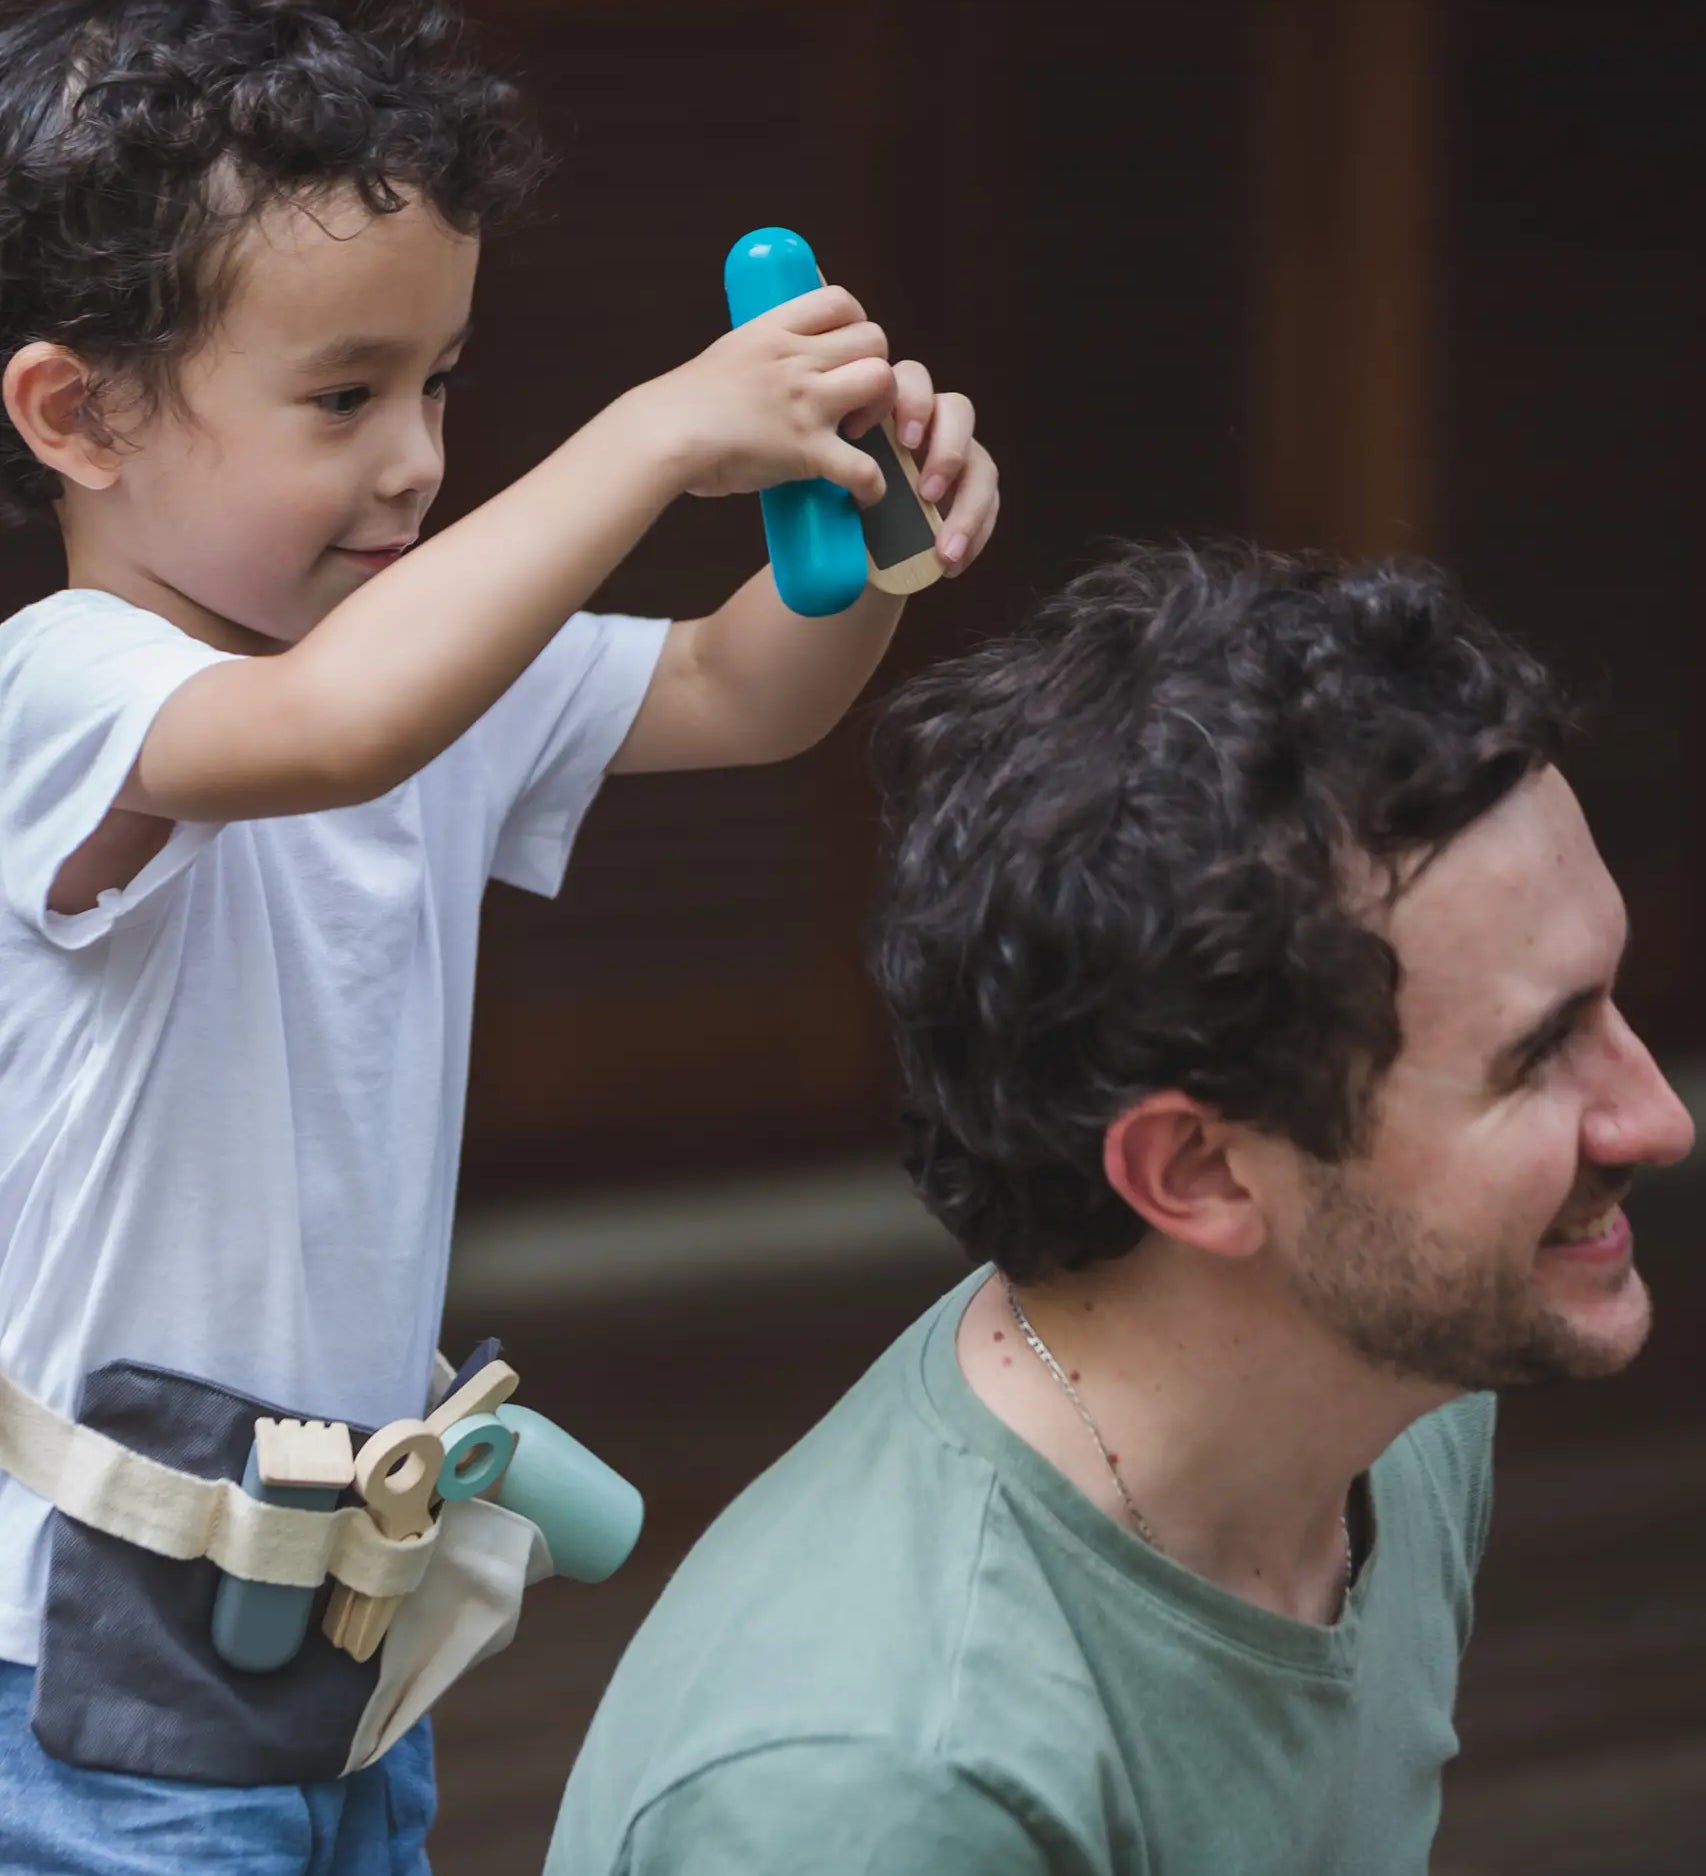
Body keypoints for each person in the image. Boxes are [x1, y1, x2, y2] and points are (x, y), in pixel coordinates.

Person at [0, 0, 998, 1866]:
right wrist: (646, 434)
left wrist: (873, 537)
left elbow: (738, 687)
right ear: (80, 415)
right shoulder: (66, 692)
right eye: (342, 394)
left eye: (440, 384)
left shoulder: (425, 675)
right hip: (83, 1679)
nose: (413, 461)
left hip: (350, 1648)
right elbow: (326, 732)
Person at [549, 545, 1695, 1875]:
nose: (1656, 1119)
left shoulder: (1397, 1400)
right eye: (1533, 1054)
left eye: (1610, 1005)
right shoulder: (878, 1790)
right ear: (1196, 1173)